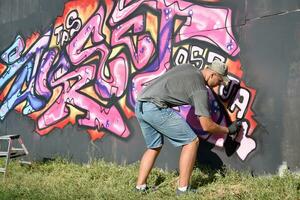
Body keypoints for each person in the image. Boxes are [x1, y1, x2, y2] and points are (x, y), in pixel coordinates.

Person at [134, 60, 241, 195]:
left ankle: (140, 187)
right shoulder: (200, 90)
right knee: (191, 142)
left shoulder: (188, 67)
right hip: (155, 107)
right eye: (219, 81)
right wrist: (228, 130)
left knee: (154, 146)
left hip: (141, 105)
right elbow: (206, 126)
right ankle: (183, 189)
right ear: (212, 75)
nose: (218, 85)